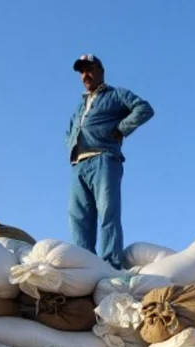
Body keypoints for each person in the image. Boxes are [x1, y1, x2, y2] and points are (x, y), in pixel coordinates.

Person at [66, 54, 154, 269]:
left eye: (90, 69)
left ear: (101, 71)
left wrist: (120, 129)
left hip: (104, 158)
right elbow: (70, 129)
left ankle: (110, 264)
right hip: (80, 164)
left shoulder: (115, 94)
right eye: (82, 71)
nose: (86, 75)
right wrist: (70, 144)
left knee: (107, 212)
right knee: (78, 216)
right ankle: (84, 263)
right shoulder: (81, 104)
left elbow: (144, 108)